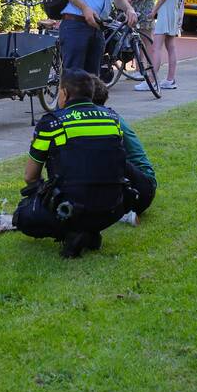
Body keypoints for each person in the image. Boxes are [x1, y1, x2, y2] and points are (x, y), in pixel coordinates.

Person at [13, 70, 129, 258]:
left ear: (64, 93)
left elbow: (30, 176)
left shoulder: (52, 123)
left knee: (23, 216)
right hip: (113, 207)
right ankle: (88, 230)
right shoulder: (112, 119)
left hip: (68, 207)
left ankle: (72, 231)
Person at [91, 77, 156, 225]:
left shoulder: (103, 120)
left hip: (140, 186)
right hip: (141, 183)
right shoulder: (108, 115)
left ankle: (116, 212)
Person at [144, 0, 186, 90]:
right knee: (171, 47)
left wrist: (153, 11)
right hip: (173, 12)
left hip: (165, 12)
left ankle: (152, 80)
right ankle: (170, 79)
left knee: (156, 48)